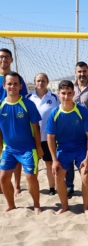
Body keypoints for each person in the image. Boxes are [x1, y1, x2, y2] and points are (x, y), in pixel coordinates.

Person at [46, 80, 88, 216]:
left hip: (81, 148)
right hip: (63, 149)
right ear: (58, 94)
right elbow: (50, 137)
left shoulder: (82, 111)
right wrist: (54, 159)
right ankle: (64, 206)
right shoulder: (54, 113)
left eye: (69, 93)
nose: (66, 97)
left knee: (86, 176)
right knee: (59, 176)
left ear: (73, 93)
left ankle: (86, 207)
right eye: (63, 93)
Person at [0, 71, 42, 214]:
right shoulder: (1, 105)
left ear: (20, 86)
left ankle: (37, 205)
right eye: (9, 84)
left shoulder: (28, 104)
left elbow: (36, 128)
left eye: (15, 84)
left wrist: (38, 147)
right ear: (4, 85)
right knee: (3, 178)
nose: (12, 86)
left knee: (30, 177)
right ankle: (11, 204)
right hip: (9, 148)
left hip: (27, 149)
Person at [66, 61, 88, 199]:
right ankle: (69, 187)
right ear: (75, 72)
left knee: (87, 161)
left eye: (84, 71)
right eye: (79, 71)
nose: (82, 74)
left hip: (87, 133)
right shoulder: (69, 88)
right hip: (69, 132)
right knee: (68, 162)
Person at [0, 48, 28, 196]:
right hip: (1, 119)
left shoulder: (17, 78)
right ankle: (2, 184)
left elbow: (23, 99)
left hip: (13, 121)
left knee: (15, 151)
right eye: (1, 57)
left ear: (11, 60)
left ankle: (17, 185)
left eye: (6, 57)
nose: (3, 59)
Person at [26, 73, 60, 196]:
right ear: (35, 82)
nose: (40, 83)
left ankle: (52, 188)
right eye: (38, 80)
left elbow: (59, 116)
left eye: (43, 80)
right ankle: (34, 188)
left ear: (47, 82)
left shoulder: (55, 98)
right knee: (33, 164)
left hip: (48, 137)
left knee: (49, 163)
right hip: (32, 138)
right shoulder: (28, 97)